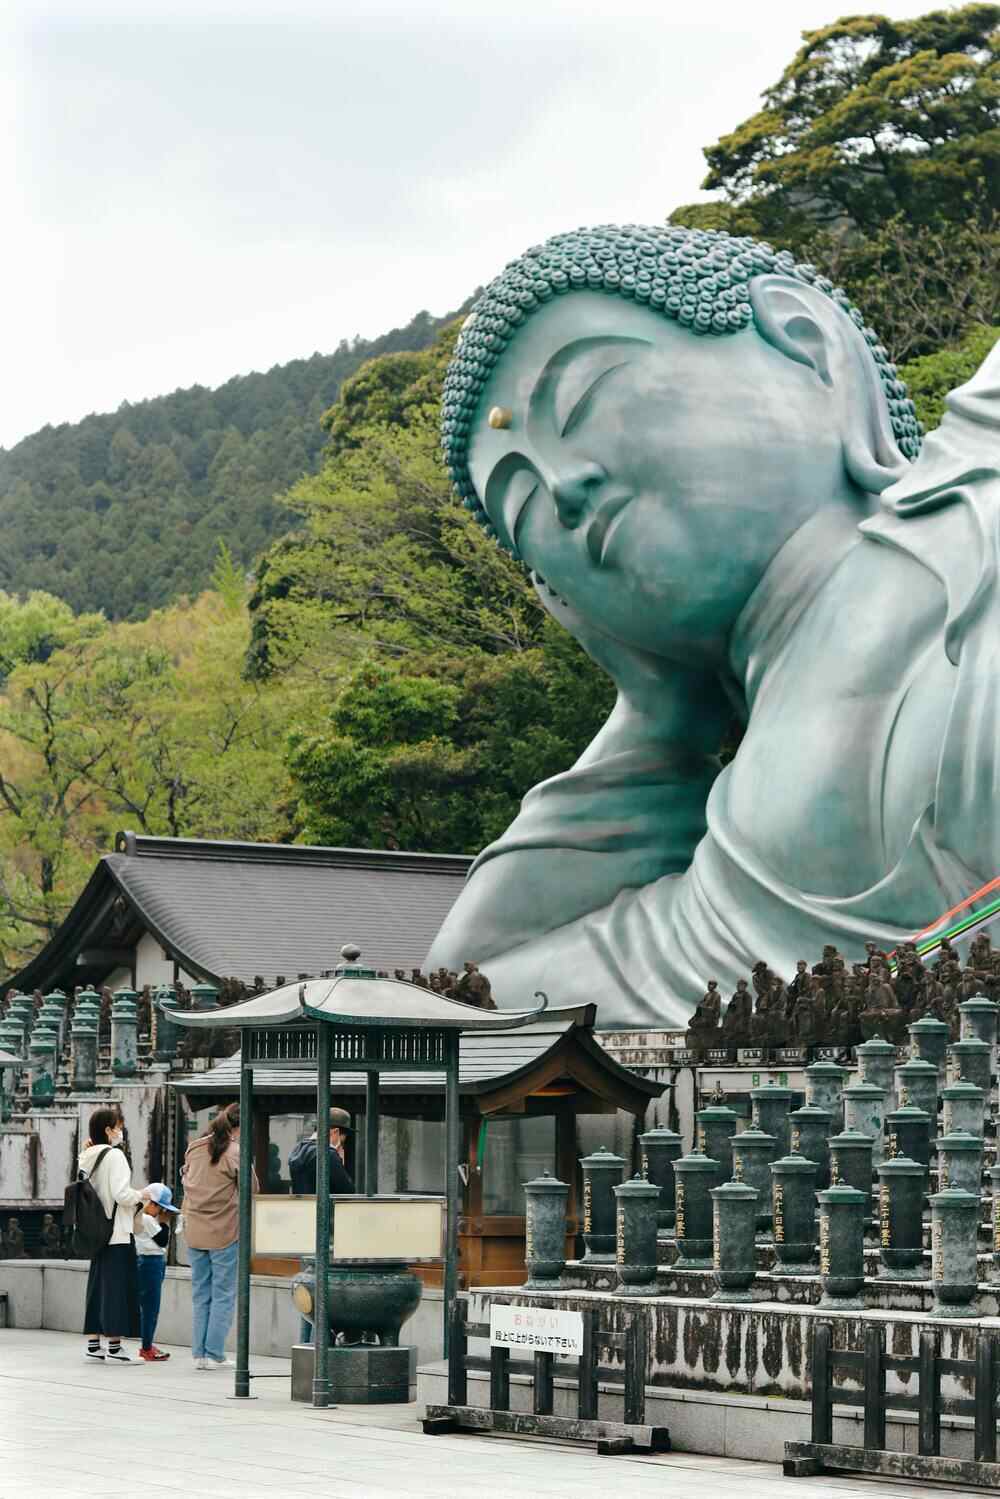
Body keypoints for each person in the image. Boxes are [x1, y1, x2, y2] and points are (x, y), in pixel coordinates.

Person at [428, 221, 1000, 1025]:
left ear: (807, 345)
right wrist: (657, 717)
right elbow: (466, 1000)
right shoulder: (732, 868)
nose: (562, 489)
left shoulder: (985, 478)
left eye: (586, 396)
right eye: (525, 512)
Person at [181, 1102, 257, 1370]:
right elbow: (252, 1188)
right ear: (237, 1128)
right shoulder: (235, 1152)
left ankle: (199, 1354)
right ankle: (214, 1353)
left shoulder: (195, 1148)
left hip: (195, 1230)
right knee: (223, 1294)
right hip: (224, 1231)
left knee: (201, 1294)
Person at [79, 1105, 143, 1363]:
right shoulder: (115, 1156)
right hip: (116, 1232)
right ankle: (115, 1348)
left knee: (97, 1288)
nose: (120, 1132)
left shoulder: (87, 1155)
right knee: (117, 1289)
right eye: (118, 1127)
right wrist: (142, 1195)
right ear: (108, 1130)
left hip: (95, 1232)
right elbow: (121, 1194)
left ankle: (94, 1345)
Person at [135, 1182, 178, 1362]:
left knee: (149, 1307)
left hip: (149, 1262)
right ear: (151, 1203)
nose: (163, 1213)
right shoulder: (146, 1219)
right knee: (151, 1308)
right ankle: (146, 1348)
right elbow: (162, 1240)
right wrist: (165, 1224)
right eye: (161, 1208)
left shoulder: (143, 1218)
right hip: (150, 1262)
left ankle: (148, 1344)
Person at [288, 1109, 355, 1195]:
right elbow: (348, 1191)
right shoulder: (329, 1155)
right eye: (343, 1141)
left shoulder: (298, 1149)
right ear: (336, 1132)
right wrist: (340, 1161)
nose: (342, 1145)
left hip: (302, 1206)